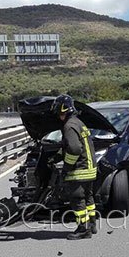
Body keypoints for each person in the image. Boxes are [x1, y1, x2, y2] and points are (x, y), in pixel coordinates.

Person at [51, 94, 97, 240]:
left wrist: (67, 166)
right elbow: (70, 145)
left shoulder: (69, 126)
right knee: (88, 197)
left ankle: (83, 229)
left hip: (79, 170)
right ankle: (92, 225)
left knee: (78, 200)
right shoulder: (78, 123)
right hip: (90, 168)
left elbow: (75, 149)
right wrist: (57, 156)